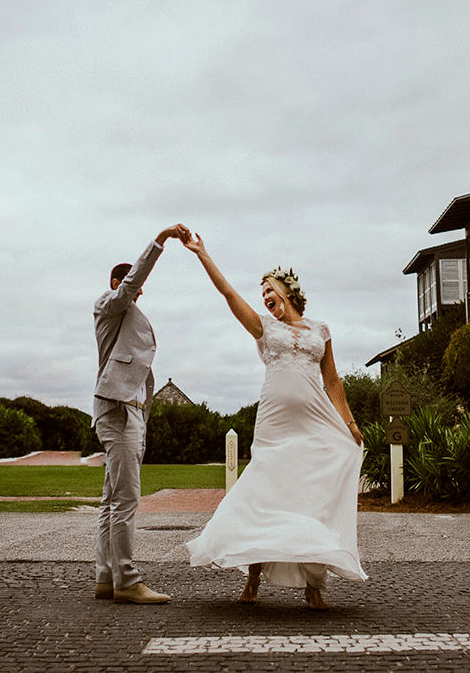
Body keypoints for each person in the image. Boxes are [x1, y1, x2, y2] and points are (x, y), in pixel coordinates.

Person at [182, 232, 366, 610]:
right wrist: (202, 253)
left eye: (270, 289)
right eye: (263, 292)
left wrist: (349, 423)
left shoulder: (321, 330)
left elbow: (332, 381)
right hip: (275, 424)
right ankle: (253, 575)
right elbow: (228, 294)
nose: (265, 296)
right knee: (264, 495)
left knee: (312, 500)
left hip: (316, 423)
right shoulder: (264, 327)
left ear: (287, 292)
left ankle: (313, 584)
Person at [92, 223, 190, 605]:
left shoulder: (124, 314)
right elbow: (132, 282)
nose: (140, 291)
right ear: (117, 283)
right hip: (118, 411)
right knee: (126, 500)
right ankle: (128, 580)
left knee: (112, 499)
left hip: (126, 413)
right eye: (133, 285)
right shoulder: (108, 303)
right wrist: (161, 240)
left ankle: (107, 577)